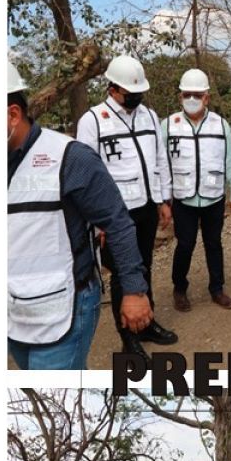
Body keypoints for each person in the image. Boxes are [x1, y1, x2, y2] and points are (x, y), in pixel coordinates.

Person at [7, 62, 152, 370]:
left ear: (12, 115)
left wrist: (134, 290)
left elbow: (117, 222)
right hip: (10, 311)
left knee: (55, 391)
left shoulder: (70, 158)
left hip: (63, 309)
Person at [76, 55, 176, 364]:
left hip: (146, 205)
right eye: (130, 92)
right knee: (122, 273)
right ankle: (128, 338)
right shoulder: (93, 120)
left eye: (139, 92)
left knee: (143, 266)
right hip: (113, 215)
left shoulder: (149, 115)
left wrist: (163, 199)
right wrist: (97, 223)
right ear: (112, 89)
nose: (136, 97)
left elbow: (160, 158)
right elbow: (85, 175)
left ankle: (147, 322)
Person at [161, 69, 231, 314]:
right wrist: (163, 200)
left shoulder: (220, 124)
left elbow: (230, 160)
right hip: (183, 198)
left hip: (213, 196)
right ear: (180, 97)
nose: (192, 99)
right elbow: (161, 164)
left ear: (206, 97)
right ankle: (179, 289)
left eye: (197, 95)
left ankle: (217, 289)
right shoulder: (169, 125)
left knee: (214, 244)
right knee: (185, 244)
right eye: (187, 94)